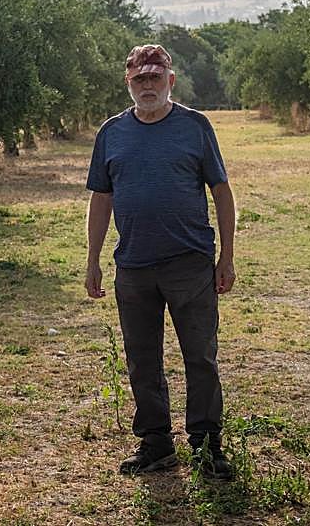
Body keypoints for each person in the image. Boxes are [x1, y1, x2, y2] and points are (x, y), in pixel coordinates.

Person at [85, 43, 237, 477]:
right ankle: (156, 445)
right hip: (132, 264)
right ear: (128, 83)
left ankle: (207, 446)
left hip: (189, 263)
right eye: (139, 79)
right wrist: (92, 259)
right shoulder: (111, 133)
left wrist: (226, 256)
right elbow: (102, 197)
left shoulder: (195, 127)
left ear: (171, 81)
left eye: (155, 77)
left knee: (200, 357)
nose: (147, 85)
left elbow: (221, 193)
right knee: (142, 358)